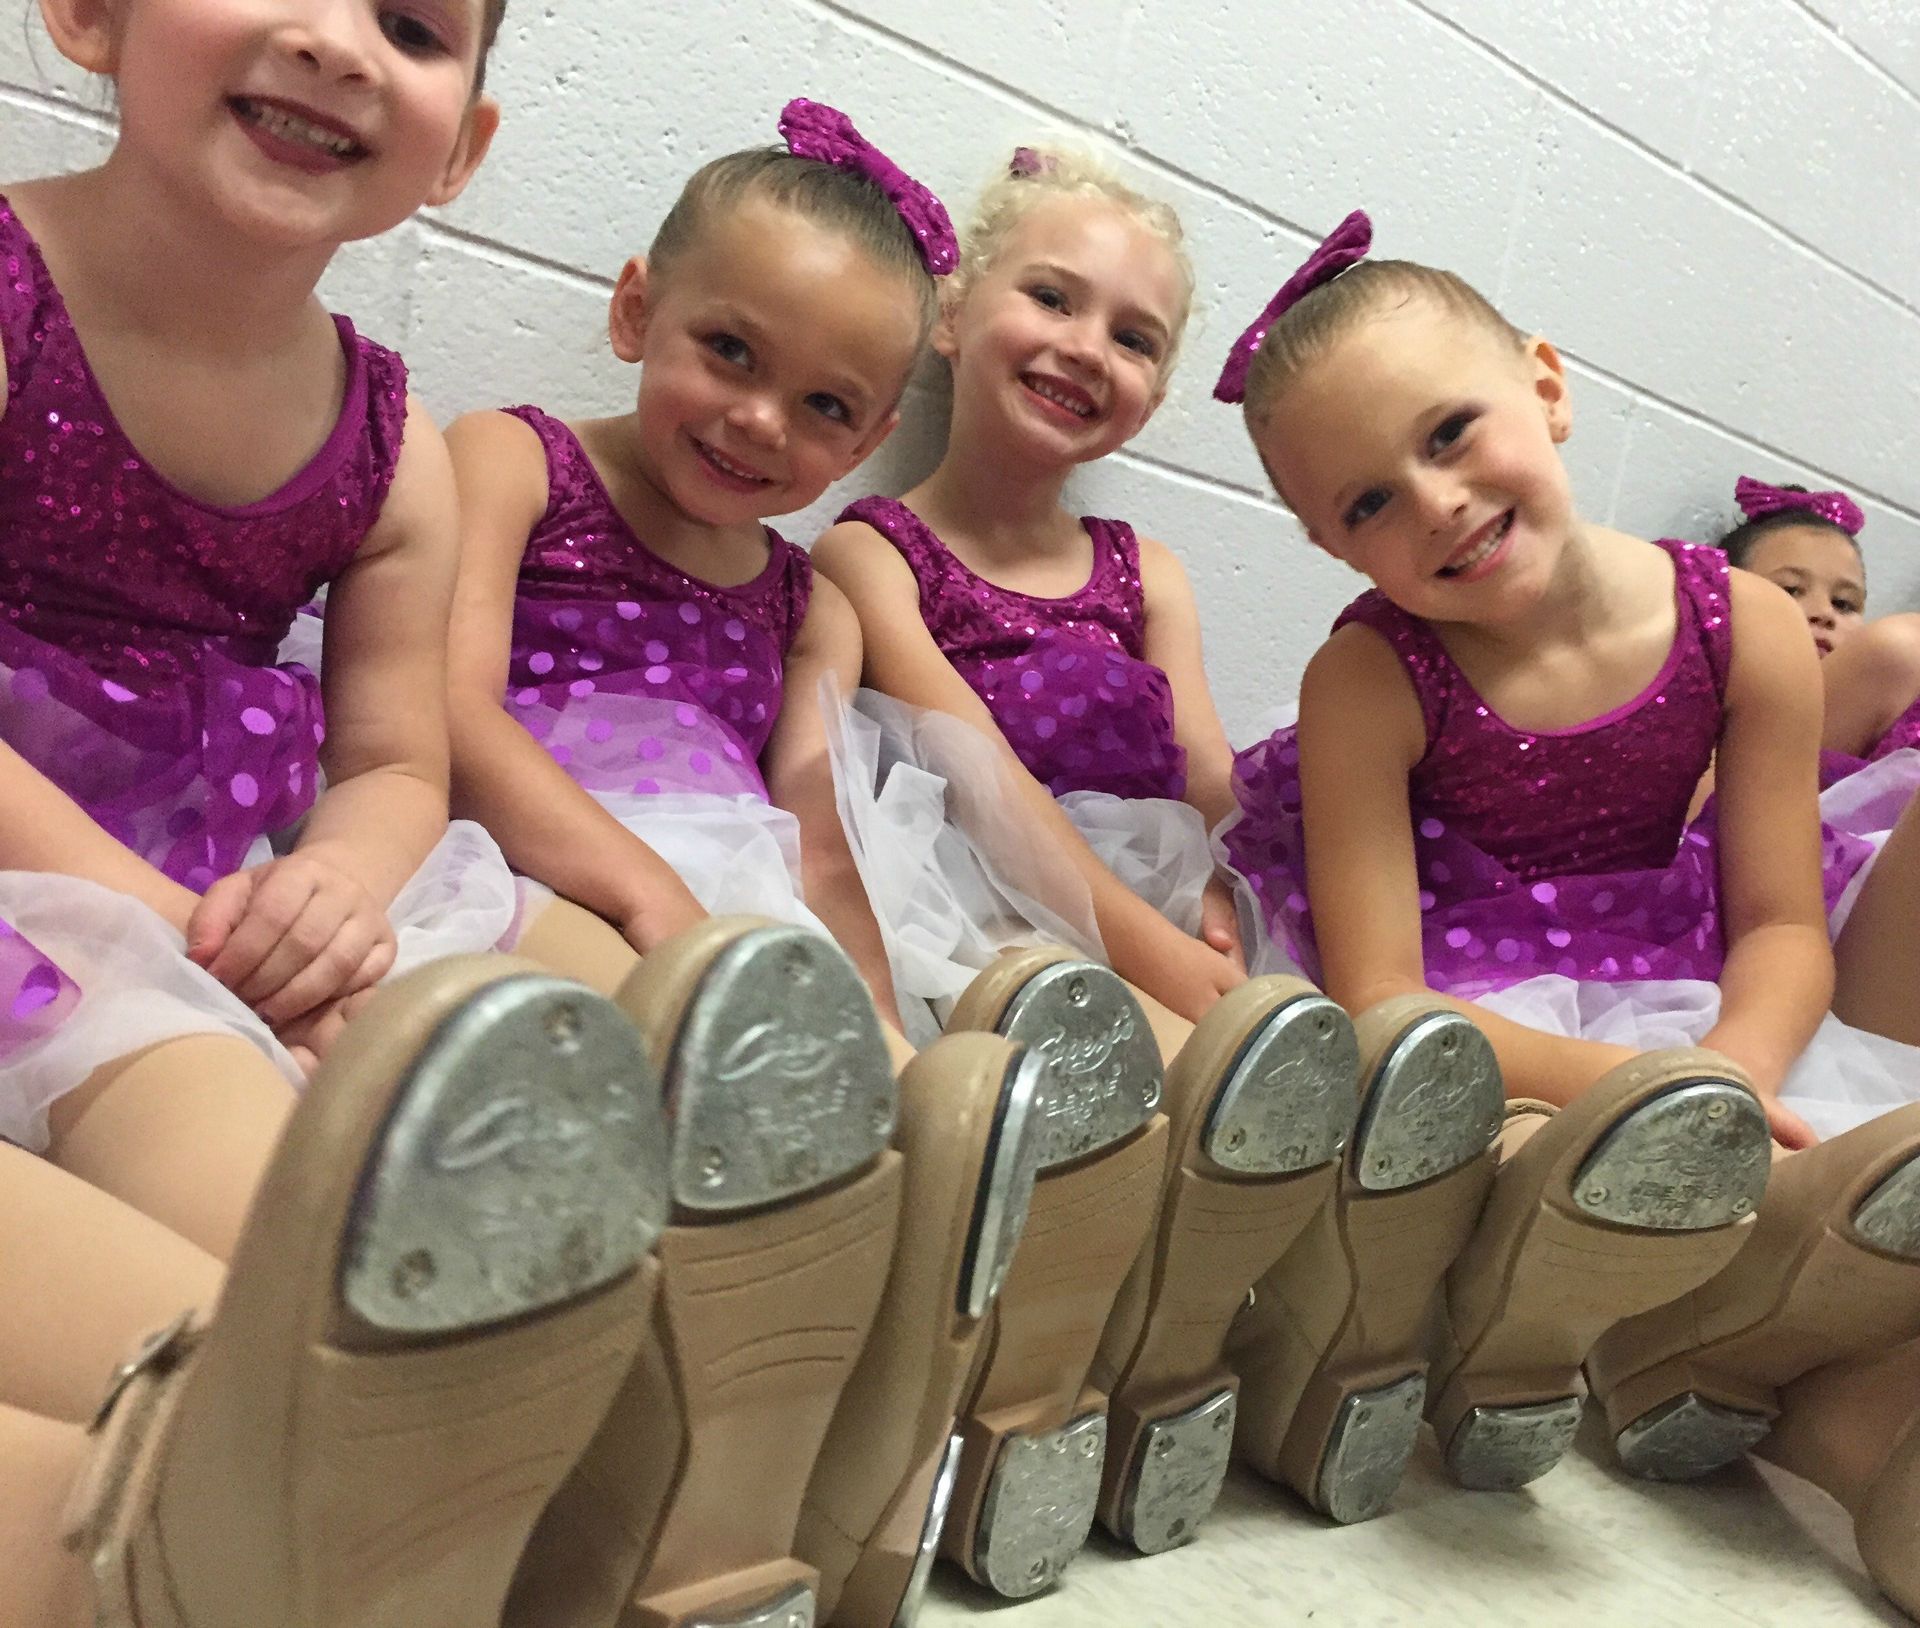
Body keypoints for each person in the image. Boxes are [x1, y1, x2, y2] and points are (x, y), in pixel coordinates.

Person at [443, 99, 948, 1031]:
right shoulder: (512, 464)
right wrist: (643, 892)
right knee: (639, 1037)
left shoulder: (814, 610)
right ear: (638, 312)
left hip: (723, 901)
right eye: (730, 350)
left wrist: (877, 1031)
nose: (761, 419)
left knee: (813, 1057)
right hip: (503, 858)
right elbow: (445, 710)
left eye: (827, 406)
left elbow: (822, 848)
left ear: (865, 444)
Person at [814, 143, 1246, 1045]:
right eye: (1051, 298)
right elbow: (986, 792)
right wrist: (1156, 959)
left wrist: (1220, 894)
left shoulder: (1148, 574)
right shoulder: (873, 555)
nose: (1087, 348)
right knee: (1130, 1047)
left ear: (1153, 401)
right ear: (954, 314)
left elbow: (1210, 782)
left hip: (1157, 912)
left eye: (1133, 340)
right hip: (982, 917)